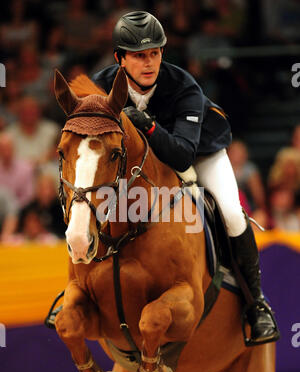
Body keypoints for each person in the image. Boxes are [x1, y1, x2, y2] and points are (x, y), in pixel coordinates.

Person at [49, 11, 280, 345]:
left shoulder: (184, 86)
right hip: (137, 160)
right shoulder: (101, 85)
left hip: (199, 151)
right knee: (90, 197)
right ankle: (74, 290)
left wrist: (145, 124)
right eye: (139, 56)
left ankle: (256, 303)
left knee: (230, 212)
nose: (149, 62)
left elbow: (182, 155)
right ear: (120, 59)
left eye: (155, 53)